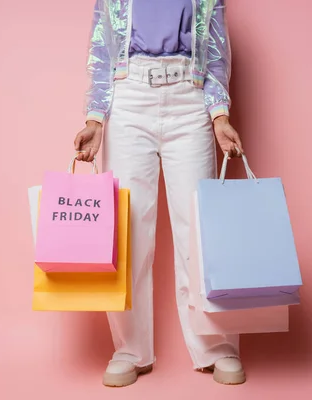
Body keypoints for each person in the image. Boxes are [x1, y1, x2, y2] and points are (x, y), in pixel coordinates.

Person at [74, 0, 245, 387]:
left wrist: (220, 114)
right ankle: (131, 350)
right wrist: (95, 117)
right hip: (129, 98)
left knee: (198, 231)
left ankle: (216, 348)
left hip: (190, 96)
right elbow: (102, 48)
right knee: (129, 233)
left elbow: (216, 50)